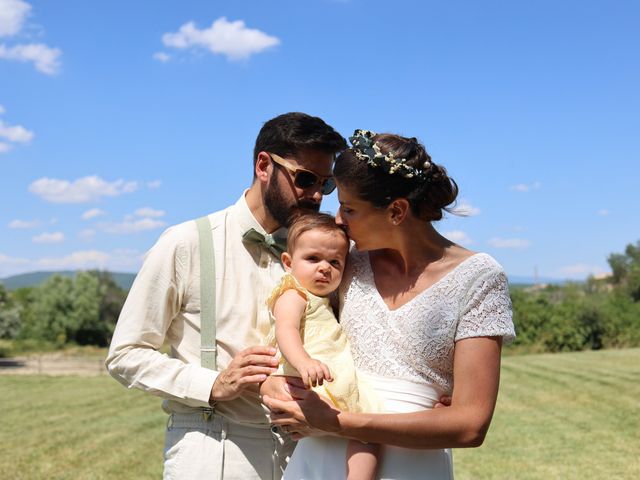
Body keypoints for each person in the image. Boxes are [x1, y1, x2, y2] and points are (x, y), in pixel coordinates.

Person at [105, 112, 346, 480]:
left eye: (325, 185)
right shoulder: (186, 243)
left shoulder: (328, 255)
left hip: (308, 453)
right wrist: (213, 384)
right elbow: (125, 355)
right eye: (305, 179)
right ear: (264, 165)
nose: (315, 195)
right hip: (214, 448)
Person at [263, 129, 516, 479]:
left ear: (396, 211)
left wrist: (340, 423)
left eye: (349, 208)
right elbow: (290, 324)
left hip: (410, 463)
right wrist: (273, 384)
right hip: (318, 457)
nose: (338, 219)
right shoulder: (346, 262)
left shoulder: (479, 278)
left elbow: (471, 425)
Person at [265, 212, 383, 480]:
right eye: (313, 259)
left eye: (335, 262)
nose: (324, 267)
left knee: (365, 432)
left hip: (325, 376)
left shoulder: (326, 300)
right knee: (365, 430)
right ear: (288, 262)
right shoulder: (292, 293)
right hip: (310, 376)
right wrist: (303, 361)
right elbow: (286, 329)